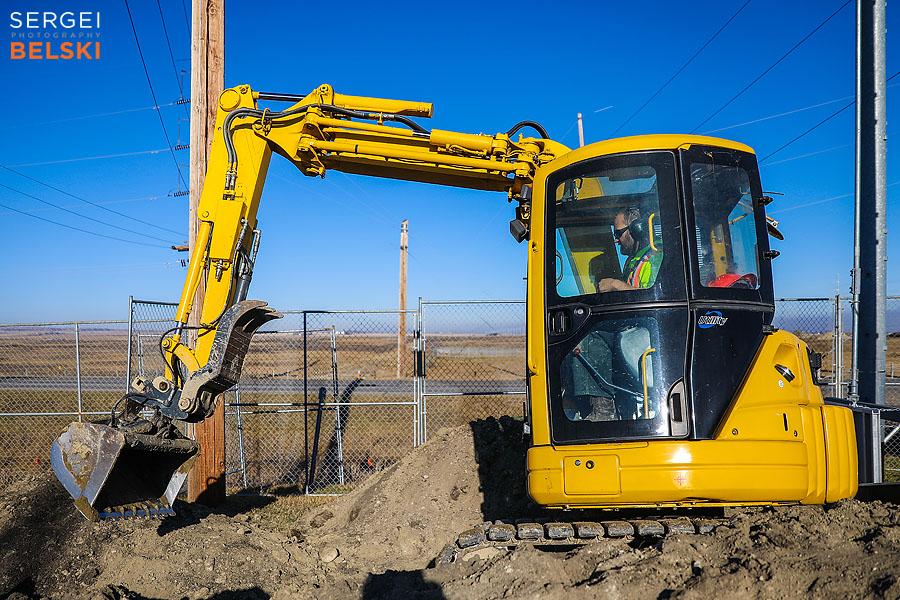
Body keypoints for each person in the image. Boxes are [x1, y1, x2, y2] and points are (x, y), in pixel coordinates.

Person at [596, 206, 662, 292]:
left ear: (636, 229)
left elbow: (655, 297)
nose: (616, 240)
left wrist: (617, 285)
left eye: (618, 233)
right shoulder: (632, 260)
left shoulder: (656, 258)